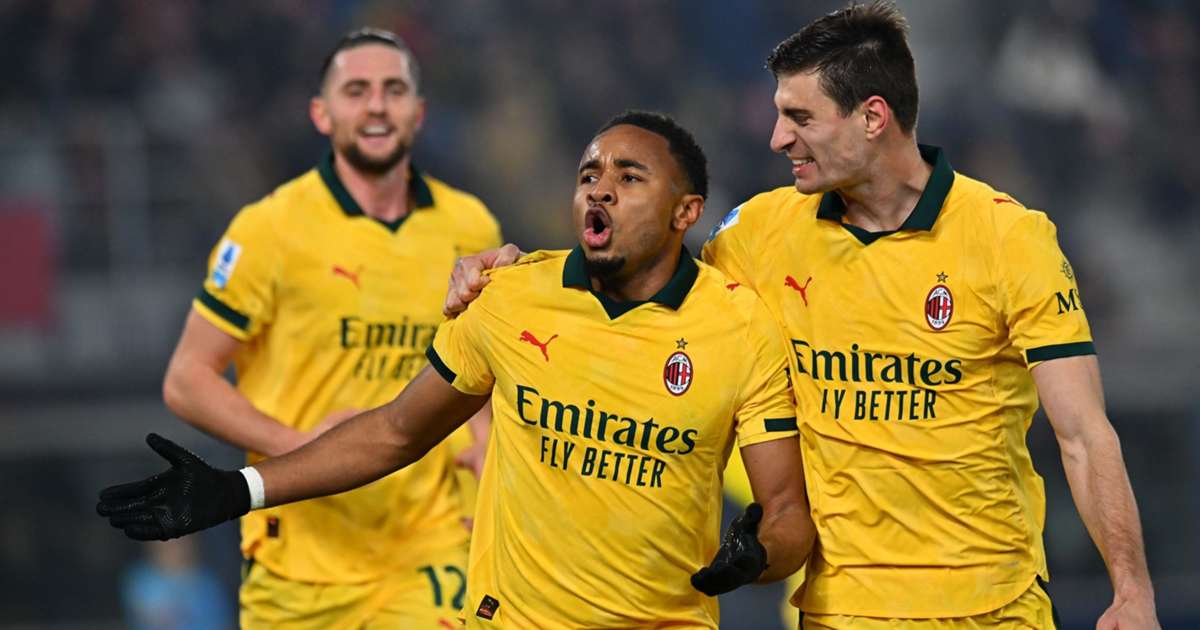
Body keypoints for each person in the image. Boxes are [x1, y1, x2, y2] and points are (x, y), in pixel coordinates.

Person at [443, 4, 1161, 629]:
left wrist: (1131, 590)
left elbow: (1083, 434)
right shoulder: (759, 233)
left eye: (800, 118)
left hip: (994, 608)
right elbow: (642, 281)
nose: (777, 139)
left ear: (872, 117)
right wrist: (523, 268)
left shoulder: (1009, 238)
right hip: (840, 610)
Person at [99, 111, 816, 629]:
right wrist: (240, 488)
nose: (599, 189)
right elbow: (394, 433)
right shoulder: (508, 298)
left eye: (629, 177)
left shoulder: (740, 327)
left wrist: (758, 557)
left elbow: (786, 512)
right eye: (589, 175)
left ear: (686, 211)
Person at [158, 28, 501, 628]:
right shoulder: (268, 230)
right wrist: (300, 447)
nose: (377, 106)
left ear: (419, 113)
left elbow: (476, 365)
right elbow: (187, 380)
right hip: (301, 559)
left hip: (431, 546)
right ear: (322, 113)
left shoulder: (469, 225)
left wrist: (485, 438)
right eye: (357, 91)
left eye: (394, 90)